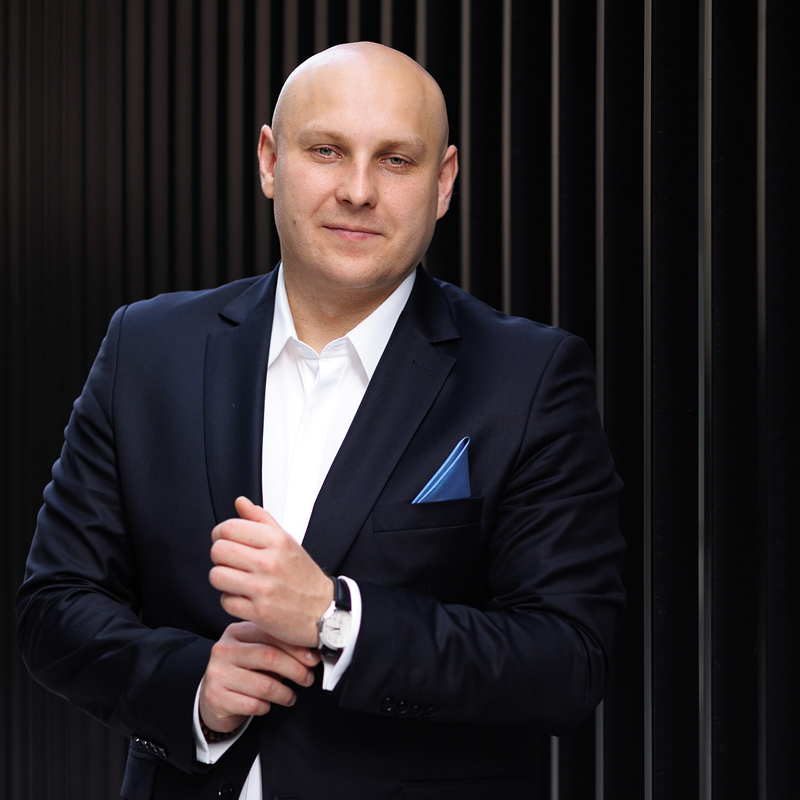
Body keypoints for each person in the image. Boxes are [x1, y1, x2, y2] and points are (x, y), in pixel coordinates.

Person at [16, 42, 625, 800]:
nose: (358, 190)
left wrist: (339, 622)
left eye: (396, 160)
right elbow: (54, 607)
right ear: (270, 161)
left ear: (442, 183)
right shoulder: (146, 347)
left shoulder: (529, 377)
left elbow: (569, 661)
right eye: (327, 151)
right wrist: (191, 686)